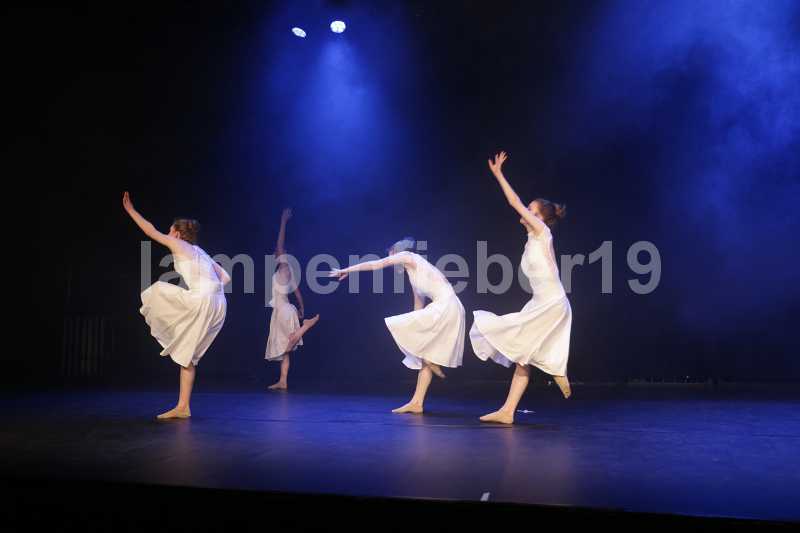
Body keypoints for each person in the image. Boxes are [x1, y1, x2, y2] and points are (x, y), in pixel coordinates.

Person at [470, 152, 572, 425]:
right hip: (542, 302)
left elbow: (513, 202)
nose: (525, 211)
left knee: (521, 349)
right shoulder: (533, 240)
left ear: (540, 218)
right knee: (522, 357)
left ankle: (557, 369)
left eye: (531, 210)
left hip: (551, 303)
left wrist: (499, 175)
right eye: (528, 209)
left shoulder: (542, 232)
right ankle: (507, 411)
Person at [123, 191, 229, 419]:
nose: (168, 233)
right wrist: (209, 287)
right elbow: (226, 278)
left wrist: (131, 211)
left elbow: (150, 231)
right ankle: (183, 407)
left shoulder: (177, 243)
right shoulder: (201, 252)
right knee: (187, 354)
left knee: (156, 292)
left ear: (178, 234)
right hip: (219, 302)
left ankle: (182, 406)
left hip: (203, 300)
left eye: (170, 230)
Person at [330, 237, 465, 414]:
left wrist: (346, 270)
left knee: (398, 327)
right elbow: (418, 306)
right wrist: (417, 335)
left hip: (446, 306)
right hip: (449, 308)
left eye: (390, 255)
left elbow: (375, 265)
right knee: (423, 353)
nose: (391, 260)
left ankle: (429, 361)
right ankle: (417, 402)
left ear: (394, 251)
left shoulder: (408, 256)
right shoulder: (414, 273)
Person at [265, 208, 320, 390]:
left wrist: (283, 221)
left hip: (283, 310)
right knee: (285, 351)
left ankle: (306, 327)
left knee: (285, 346)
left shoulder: (284, 266)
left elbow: (280, 244)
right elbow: (297, 292)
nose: (276, 252)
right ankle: (283, 381)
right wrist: (302, 308)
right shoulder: (288, 272)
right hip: (285, 310)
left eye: (278, 251)